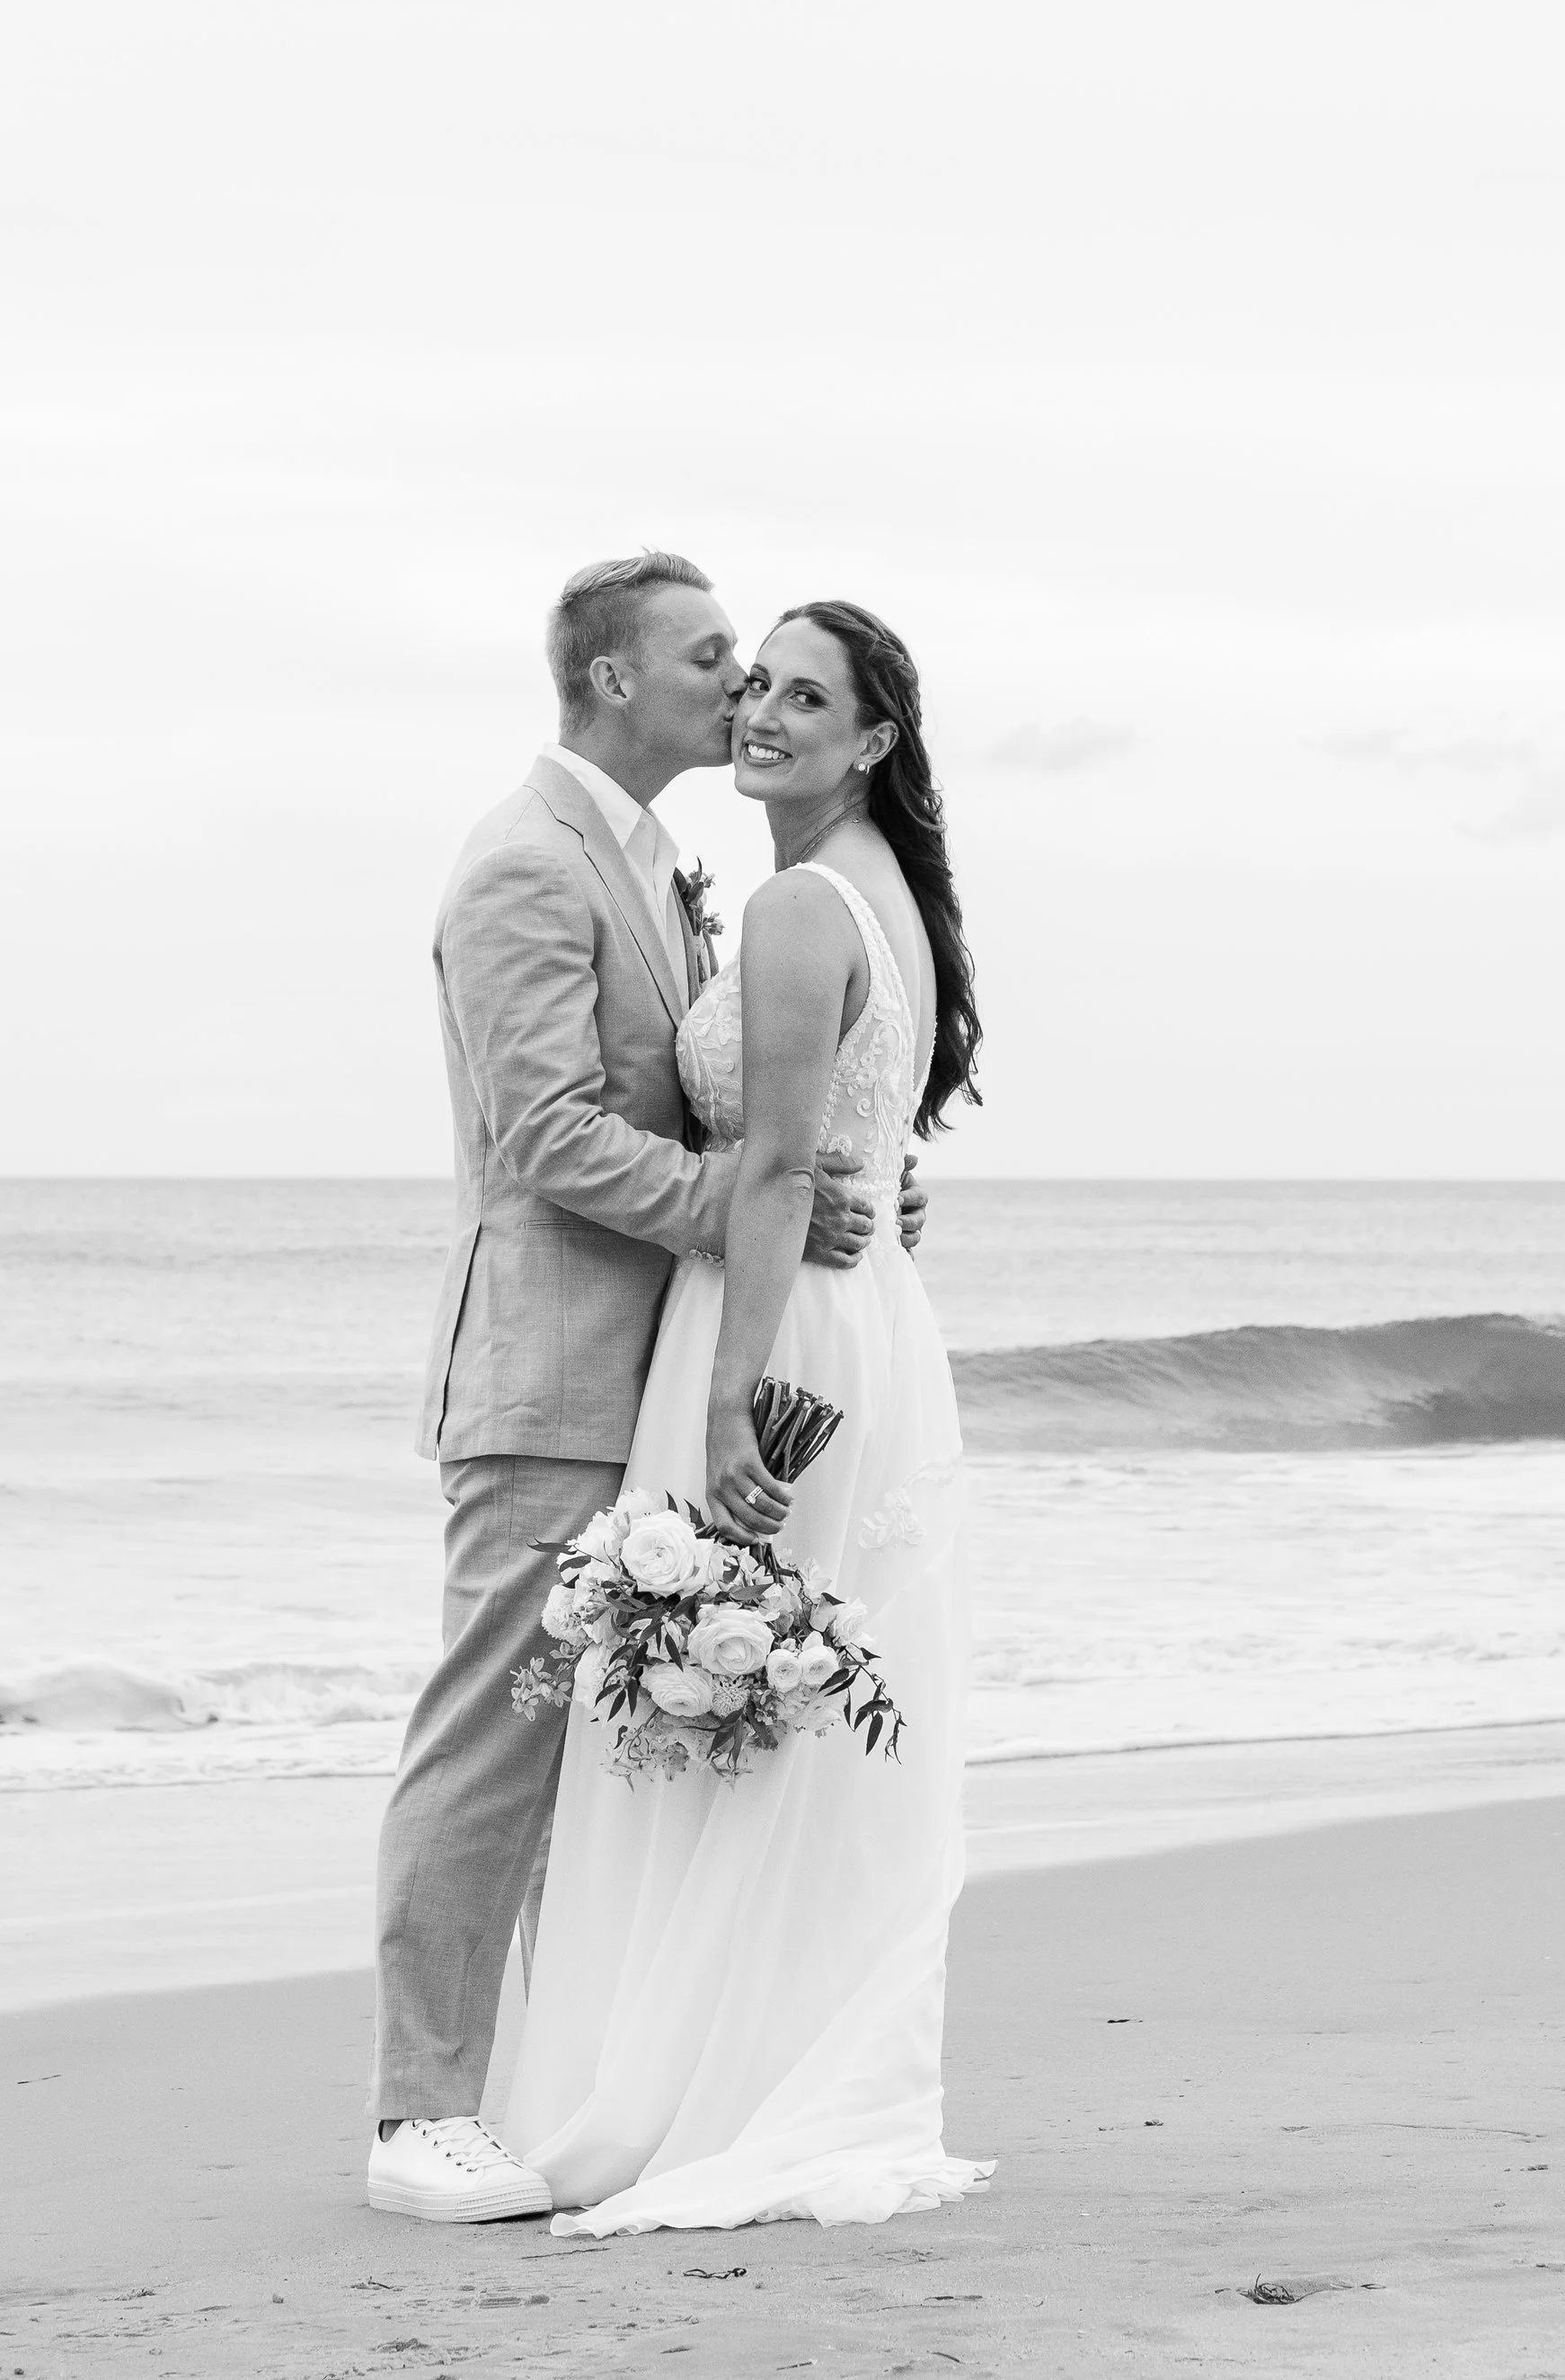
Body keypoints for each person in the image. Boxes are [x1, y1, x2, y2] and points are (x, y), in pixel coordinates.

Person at [368, 554, 925, 2224]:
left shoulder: (671, 870)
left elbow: (746, 1101)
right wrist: (755, 1205)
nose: (740, 687)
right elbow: (541, 1136)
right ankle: (416, 2114)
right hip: (547, 1373)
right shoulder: (525, 865)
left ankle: (548, 2085)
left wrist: (851, 1178)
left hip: (660, 1364)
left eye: (766, 673)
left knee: (604, 1763)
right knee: (494, 1738)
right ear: (616, 680)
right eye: (711, 660)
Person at [502, 595, 989, 2232]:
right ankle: (777, 2066)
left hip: (773, 1327)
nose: (764, 710)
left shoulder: (797, 904)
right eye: (755, 681)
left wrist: (729, 1403)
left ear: (872, 739)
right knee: (775, 1709)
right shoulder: (883, 896)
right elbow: (855, 1138)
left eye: (806, 694)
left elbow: (781, 1165)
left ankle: (702, 2092)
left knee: (742, 1707)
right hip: (860, 1323)